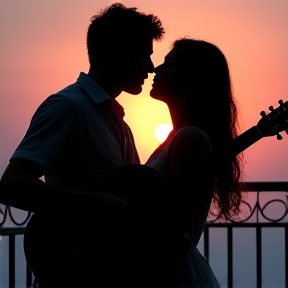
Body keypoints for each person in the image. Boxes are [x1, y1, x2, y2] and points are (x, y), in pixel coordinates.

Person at [0, 2, 165, 287]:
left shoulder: (121, 125)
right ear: (116, 50)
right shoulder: (68, 106)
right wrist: (92, 203)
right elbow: (12, 184)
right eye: (144, 55)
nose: (151, 68)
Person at [144, 38, 246, 287]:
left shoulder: (189, 138)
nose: (156, 70)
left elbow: (179, 230)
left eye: (167, 65)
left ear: (189, 77)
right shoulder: (176, 137)